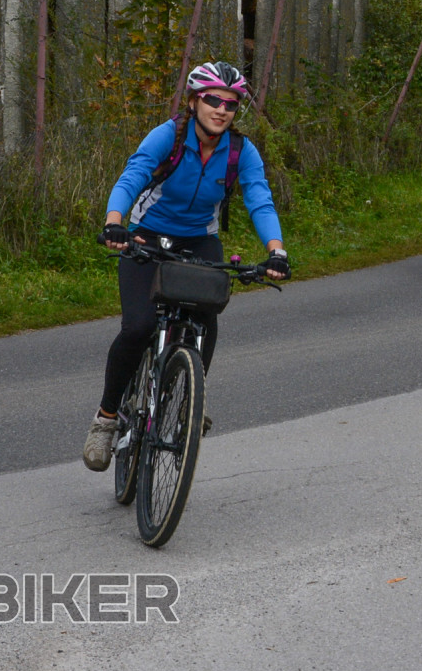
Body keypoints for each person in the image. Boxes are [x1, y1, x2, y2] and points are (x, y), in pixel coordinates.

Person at [83, 61, 288, 471]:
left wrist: (276, 251)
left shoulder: (240, 151)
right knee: (138, 327)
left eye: (231, 104)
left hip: (199, 239)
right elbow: (133, 176)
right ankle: (106, 419)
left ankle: (188, 403)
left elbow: (259, 199)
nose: (221, 110)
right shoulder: (169, 135)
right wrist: (114, 223)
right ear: (194, 101)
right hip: (146, 234)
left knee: (206, 316)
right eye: (213, 100)